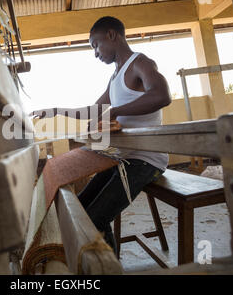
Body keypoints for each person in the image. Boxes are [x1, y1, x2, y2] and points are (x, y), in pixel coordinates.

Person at [31, 16, 172, 253]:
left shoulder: (140, 63)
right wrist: (56, 110)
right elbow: (94, 111)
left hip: (145, 160)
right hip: (120, 157)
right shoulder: (115, 77)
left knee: (93, 220)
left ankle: (107, 268)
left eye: (95, 45)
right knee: (82, 209)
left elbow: (161, 96)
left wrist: (115, 111)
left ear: (111, 35)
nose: (95, 53)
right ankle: (108, 263)